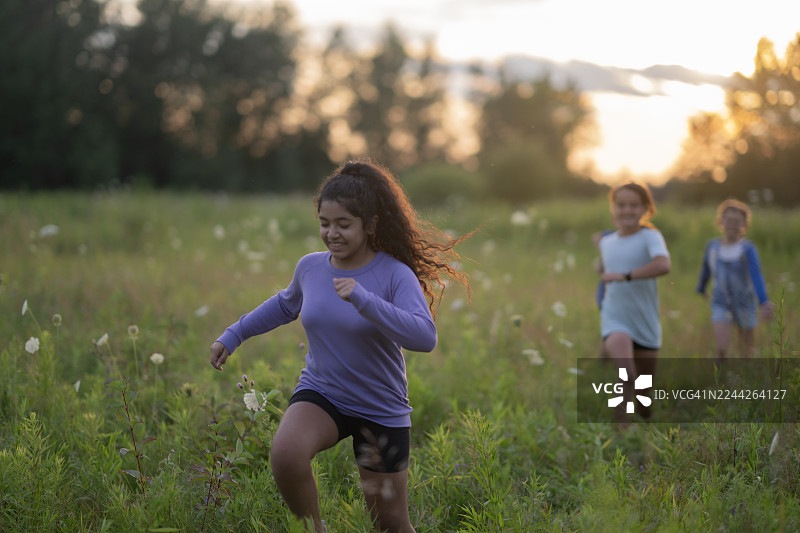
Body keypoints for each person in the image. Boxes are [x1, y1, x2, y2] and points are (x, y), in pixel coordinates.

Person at [209, 160, 470, 533]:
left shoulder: (394, 274)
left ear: (371, 225)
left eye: (343, 224)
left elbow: (424, 338)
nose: (332, 233)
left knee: (390, 524)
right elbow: (284, 305)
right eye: (324, 223)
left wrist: (365, 300)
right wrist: (233, 335)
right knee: (286, 454)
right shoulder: (311, 268)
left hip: (379, 408)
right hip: (323, 392)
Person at [598, 182, 671, 421]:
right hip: (615, 319)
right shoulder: (606, 243)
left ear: (645, 208)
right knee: (626, 375)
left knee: (643, 395)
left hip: (645, 321)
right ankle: (622, 431)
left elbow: (663, 265)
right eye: (621, 205)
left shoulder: (651, 236)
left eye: (633, 205)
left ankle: (642, 426)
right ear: (613, 208)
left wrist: (625, 275)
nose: (627, 210)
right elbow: (605, 276)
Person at [696, 198, 775, 361]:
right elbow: (706, 270)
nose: (732, 224)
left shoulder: (747, 249)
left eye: (737, 221)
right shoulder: (712, 246)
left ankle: (745, 381)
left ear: (745, 224)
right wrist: (701, 288)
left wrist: (763, 301)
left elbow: (756, 275)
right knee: (722, 348)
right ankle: (718, 384)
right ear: (720, 222)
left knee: (747, 350)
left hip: (745, 302)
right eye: (729, 220)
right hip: (720, 302)